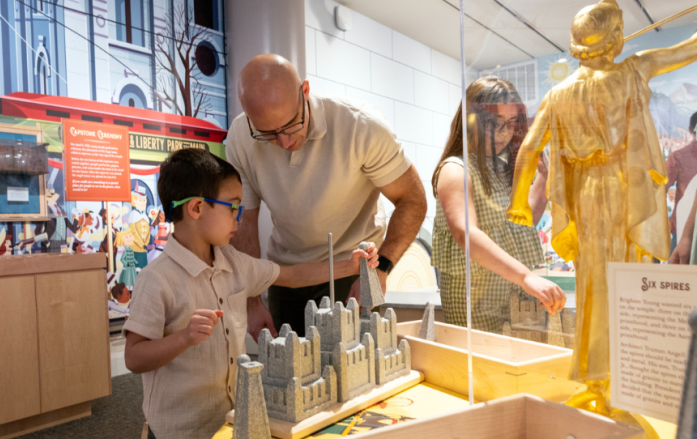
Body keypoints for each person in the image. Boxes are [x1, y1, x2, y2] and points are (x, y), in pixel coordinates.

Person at [507, 0, 697, 418]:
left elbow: (528, 147)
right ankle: (615, 383)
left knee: (595, 284)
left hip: (587, 195)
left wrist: (520, 201)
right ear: (614, 40)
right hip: (622, 190)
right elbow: (687, 50)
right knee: (623, 284)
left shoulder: (559, 93)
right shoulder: (632, 70)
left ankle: (600, 378)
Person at [123, 148, 379, 439]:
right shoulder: (156, 280)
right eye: (232, 207)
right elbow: (133, 357)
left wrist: (349, 266)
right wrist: (184, 338)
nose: (239, 218)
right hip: (182, 430)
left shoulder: (233, 262)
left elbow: (291, 276)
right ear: (196, 208)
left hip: (234, 422)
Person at [227, 54, 427, 338]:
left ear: (305, 92)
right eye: (268, 133)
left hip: (352, 274)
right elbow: (243, 223)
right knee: (288, 373)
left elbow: (413, 201)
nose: (284, 142)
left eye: (292, 124)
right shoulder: (239, 137)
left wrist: (380, 269)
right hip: (286, 278)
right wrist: (250, 300)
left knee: (356, 371)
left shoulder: (360, 126)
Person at [431, 77, 565, 334]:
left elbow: (520, 225)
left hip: (511, 299)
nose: (505, 133)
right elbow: (466, 234)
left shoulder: (501, 167)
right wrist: (526, 277)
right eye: (496, 124)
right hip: (477, 304)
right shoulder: (455, 170)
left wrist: (545, 178)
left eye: (511, 124)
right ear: (473, 121)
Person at [666, 111, 697, 254]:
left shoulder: (678, 157)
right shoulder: (678, 157)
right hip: (682, 230)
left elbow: (659, 189)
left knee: (676, 275)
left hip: (682, 229)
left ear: (690, 130)